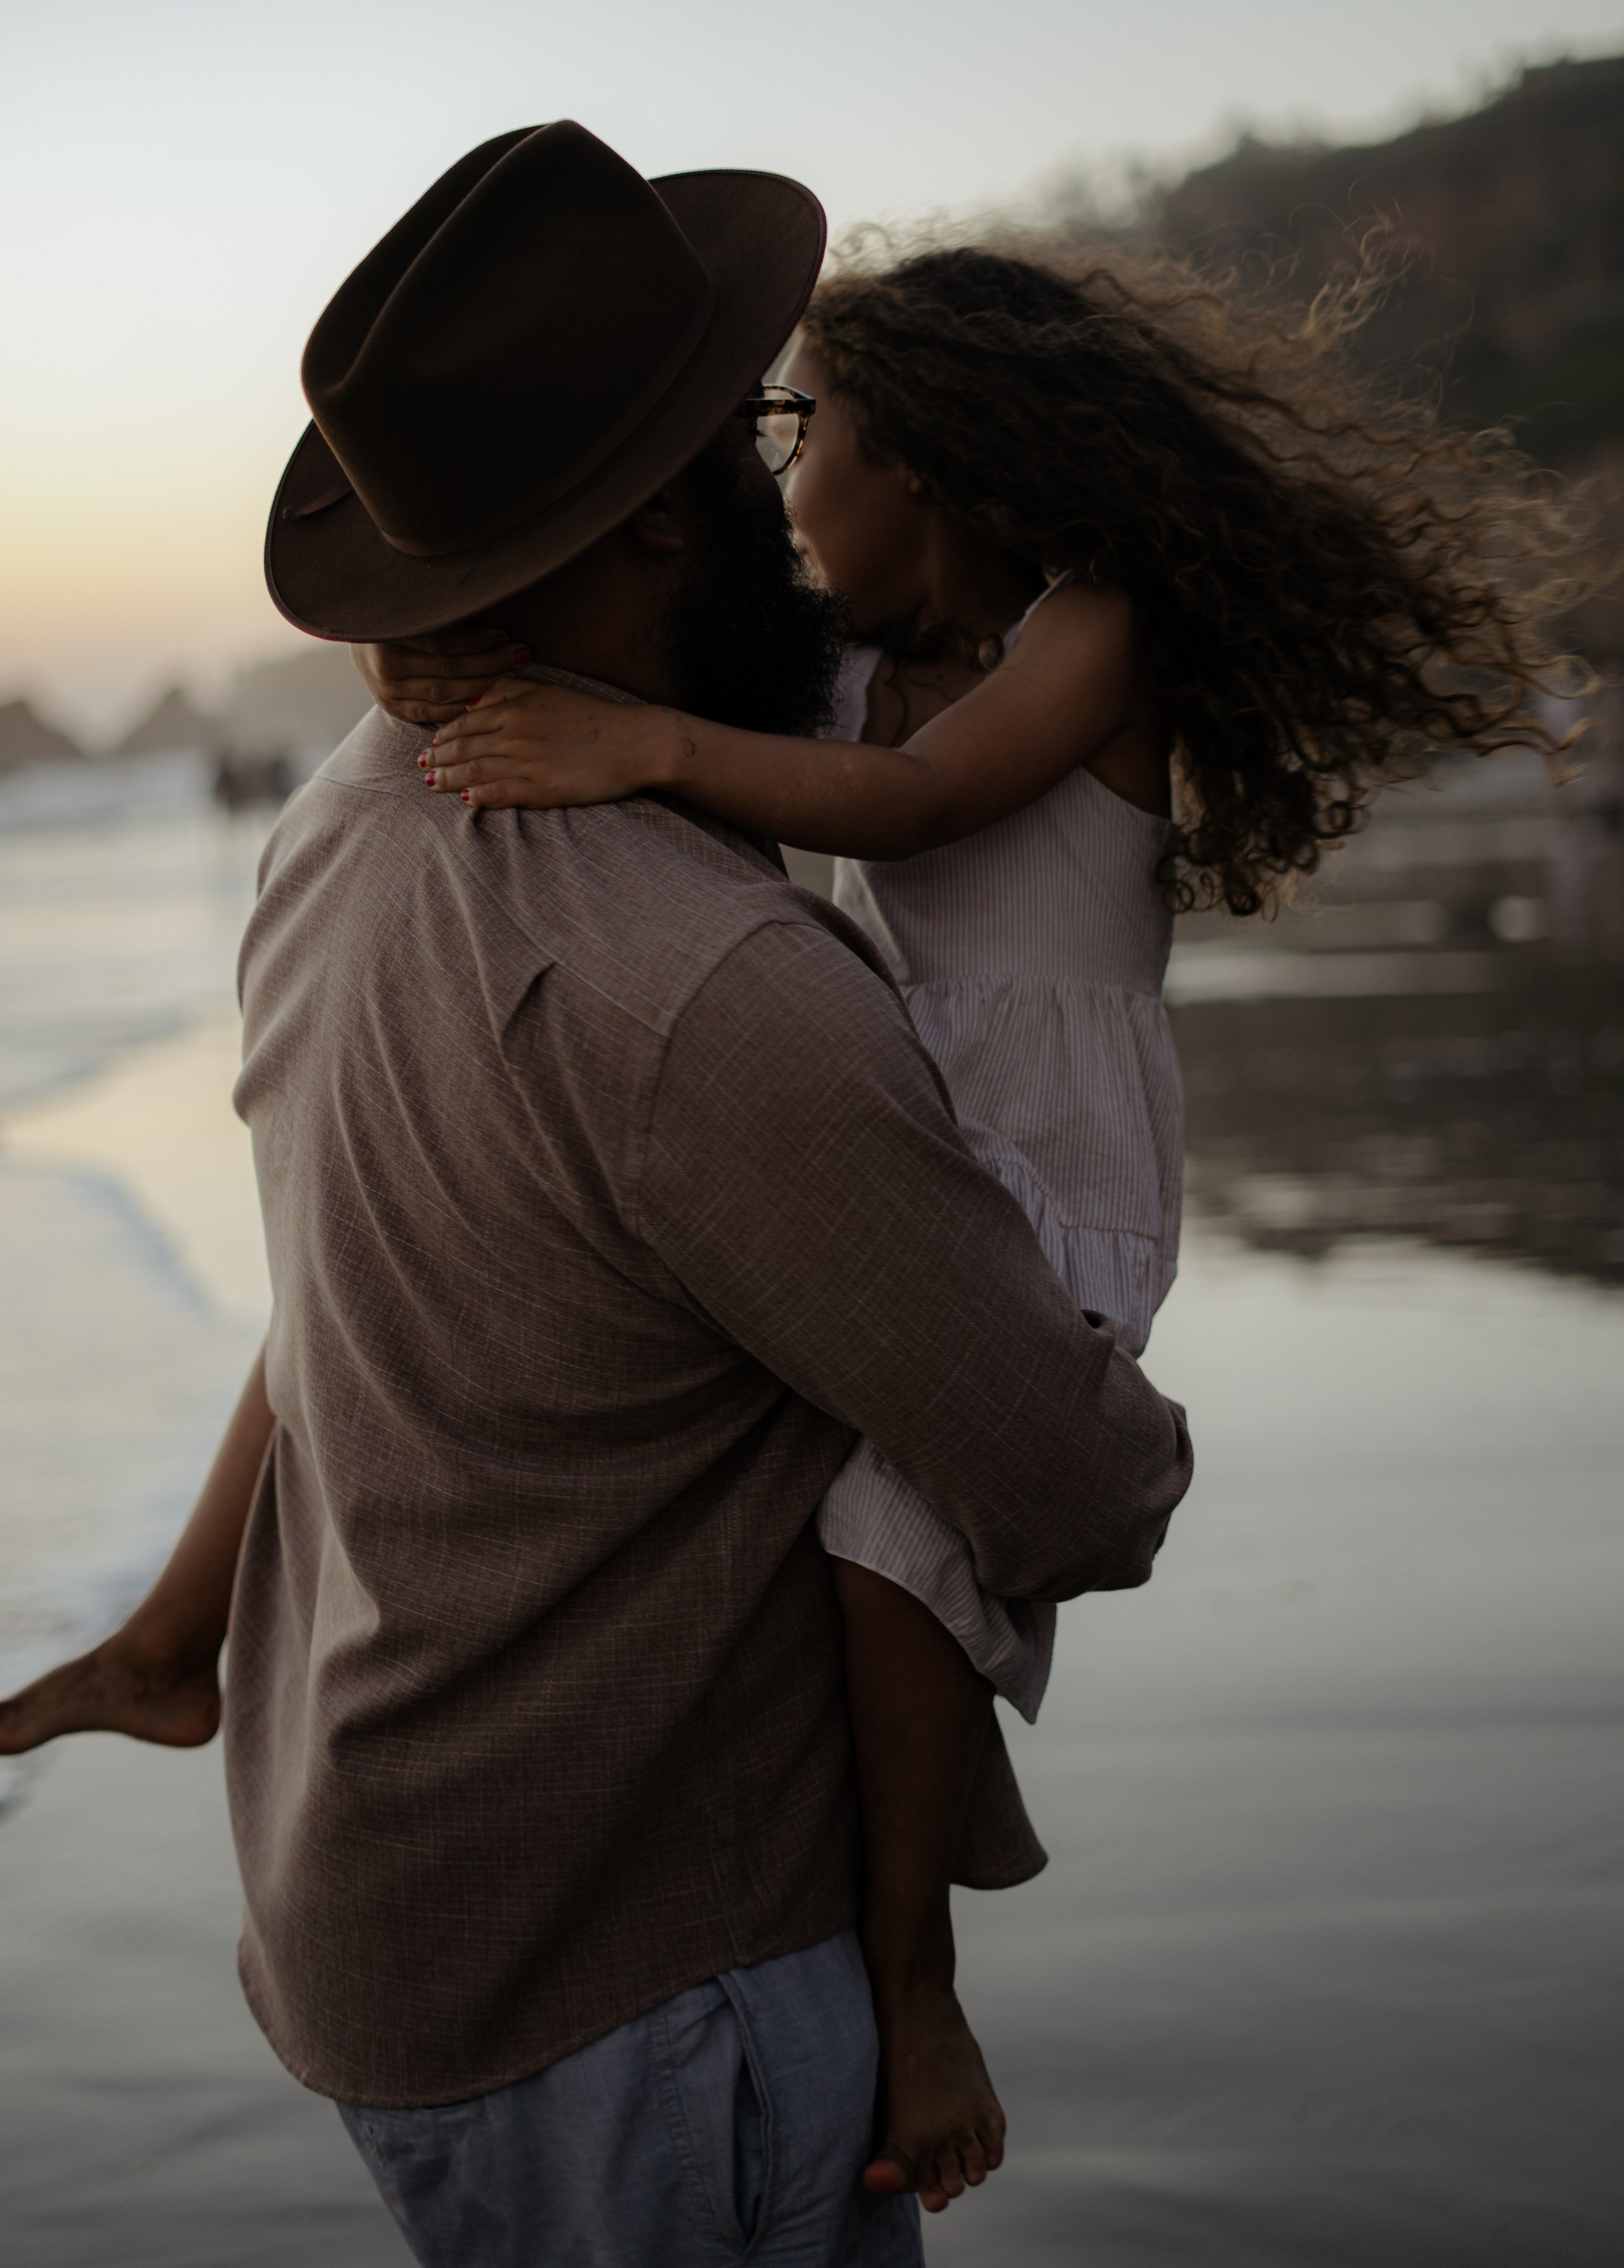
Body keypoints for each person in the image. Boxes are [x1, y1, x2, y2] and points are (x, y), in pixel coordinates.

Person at [0, 123, 1196, 2266]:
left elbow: (340, 1302)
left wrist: (170, 1627)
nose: (792, 500)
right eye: (757, 444)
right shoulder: (699, 985)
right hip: (648, 1989)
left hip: (388, 1908)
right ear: (660, 527)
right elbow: (1073, 1491)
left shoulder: (341, 822)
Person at [352, 223, 1576, 2213]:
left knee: (891, 1555)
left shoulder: (1094, 628)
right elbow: (692, 695)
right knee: (836, 1541)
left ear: (916, 454)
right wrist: (448, 662)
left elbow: (920, 807)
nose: (780, 481)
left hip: (1058, 1168)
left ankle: (915, 1987)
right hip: (921, 1145)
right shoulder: (853, 668)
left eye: (805, 430)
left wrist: (643, 744)